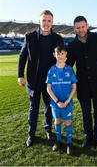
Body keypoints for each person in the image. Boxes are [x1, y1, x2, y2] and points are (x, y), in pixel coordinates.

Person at [66, 16, 97, 151]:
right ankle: (88, 137)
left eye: (83, 26)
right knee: (86, 114)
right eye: (78, 28)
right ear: (74, 29)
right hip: (83, 86)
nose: (81, 30)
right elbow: (69, 66)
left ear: (87, 25)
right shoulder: (72, 45)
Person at [18, 10, 63, 147]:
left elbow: (61, 58)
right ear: (39, 21)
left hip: (50, 81)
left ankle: (48, 130)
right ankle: (31, 135)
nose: (46, 23)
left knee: (49, 108)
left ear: (52, 22)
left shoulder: (57, 38)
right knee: (33, 108)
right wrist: (20, 75)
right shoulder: (30, 36)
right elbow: (22, 56)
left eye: (49, 21)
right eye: (44, 20)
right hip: (33, 81)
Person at [46, 45, 77, 155]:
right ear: (54, 55)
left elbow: (74, 87)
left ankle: (69, 143)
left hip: (67, 102)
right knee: (57, 120)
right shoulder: (51, 70)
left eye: (62, 53)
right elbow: (48, 88)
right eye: (58, 54)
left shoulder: (69, 69)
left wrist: (67, 101)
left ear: (66, 55)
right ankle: (58, 141)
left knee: (68, 121)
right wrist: (58, 102)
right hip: (56, 104)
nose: (60, 56)